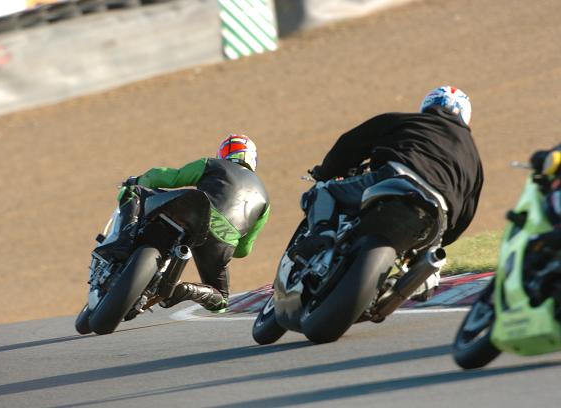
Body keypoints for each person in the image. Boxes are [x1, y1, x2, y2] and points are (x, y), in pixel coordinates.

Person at [292, 86, 484, 300]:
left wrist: (326, 173)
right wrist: (442, 238)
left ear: (427, 106)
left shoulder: (407, 121)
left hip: (397, 179)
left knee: (324, 190)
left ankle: (322, 235)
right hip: (438, 213)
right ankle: (408, 285)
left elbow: (350, 143)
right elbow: (467, 214)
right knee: (432, 260)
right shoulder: (474, 159)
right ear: (466, 118)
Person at [95, 134, 270, 311]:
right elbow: (243, 250)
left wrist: (138, 180)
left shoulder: (212, 164)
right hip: (223, 242)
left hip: (194, 212)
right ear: (252, 159)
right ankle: (186, 290)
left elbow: (173, 178)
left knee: (134, 192)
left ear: (223, 153)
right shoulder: (265, 199)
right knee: (221, 301)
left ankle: (122, 245)